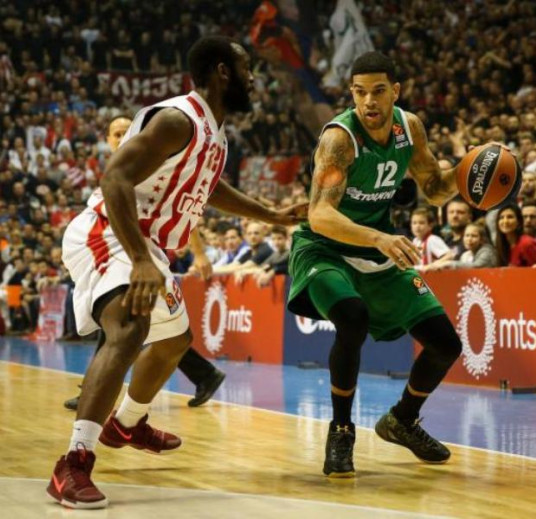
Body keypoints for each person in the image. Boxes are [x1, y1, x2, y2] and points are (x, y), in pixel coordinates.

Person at [47, 36, 305, 509]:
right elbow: (114, 178)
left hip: (150, 246)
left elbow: (209, 187)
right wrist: (141, 260)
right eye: (246, 68)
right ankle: (72, 464)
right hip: (110, 231)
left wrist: (270, 215)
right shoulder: (177, 118)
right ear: (223, 72)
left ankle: (127, 424)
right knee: (129, 327)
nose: (253, 77)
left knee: (174, 341)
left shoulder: (213, 132)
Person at [287, 51, 463, 478]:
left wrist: (467, 174)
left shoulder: (409, 128)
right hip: (323, 249)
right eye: (360, 92)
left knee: (446, 344)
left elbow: (434, 189)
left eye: (379, 91)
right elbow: (319, 215)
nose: (369, 101)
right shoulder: (339, 139)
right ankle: (341, 429)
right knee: (352, 317)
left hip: (373, 250)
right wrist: (380, 237)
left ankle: (402, 420)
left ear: (395, 92)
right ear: (351, 93)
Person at [63, 116, 226, 411]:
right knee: (131, 322)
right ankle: (204, 374)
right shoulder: (121, 164)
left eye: (125, 131)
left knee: (128, 321)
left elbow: (188, 206)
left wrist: (199, 253)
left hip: (146, 252)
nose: (121, 136)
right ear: (107, 140)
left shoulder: (153, 157)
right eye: (116, 133)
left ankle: (96, 393)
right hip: (124, 247)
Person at [495, 203, 536, 267]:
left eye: (510, 217)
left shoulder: (527, 244)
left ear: (518, 222)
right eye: (501, 218)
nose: (505, 221)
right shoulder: (502, 245)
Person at [424, 223, 498, 270]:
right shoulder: (466, 255)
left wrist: (448, 264)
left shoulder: (488, 251)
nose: (469, 239)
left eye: (474, 236)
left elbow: (476, 267)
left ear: (482, 239)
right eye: (467, 235)